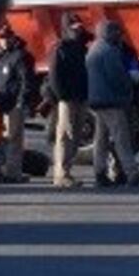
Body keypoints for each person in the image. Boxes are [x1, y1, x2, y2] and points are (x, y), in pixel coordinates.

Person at [86, 20, 139, 187]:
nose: (120, 36)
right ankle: (132, 174)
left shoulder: (92, 50)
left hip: (96, 101)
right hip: (112, 101)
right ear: (110, 33)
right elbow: (118, 77)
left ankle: (99, 173)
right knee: (122, 139)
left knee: (100, 139)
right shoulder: (109, 51)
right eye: (117, 32)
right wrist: (132, 80)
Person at [48, 16, 90, 188]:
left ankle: (67, 171)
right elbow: (54, 76)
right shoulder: (60, 48)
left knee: (76, 136)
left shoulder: (81, 48)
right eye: (74, 27)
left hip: (81, 97)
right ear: (67, 29)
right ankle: (61, 174)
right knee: (65, 135)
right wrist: (62, 96)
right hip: (67, 99)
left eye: (79, 27)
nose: (78, 30)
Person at [0, 24, 35, 184]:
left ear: (12, 37)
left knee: (14, 139)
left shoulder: (19, 56)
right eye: (1, 38)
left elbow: (26, 81)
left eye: (7, 37)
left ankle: (12, 173)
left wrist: (21, 102)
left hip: (14, 104)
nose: (4, 41)